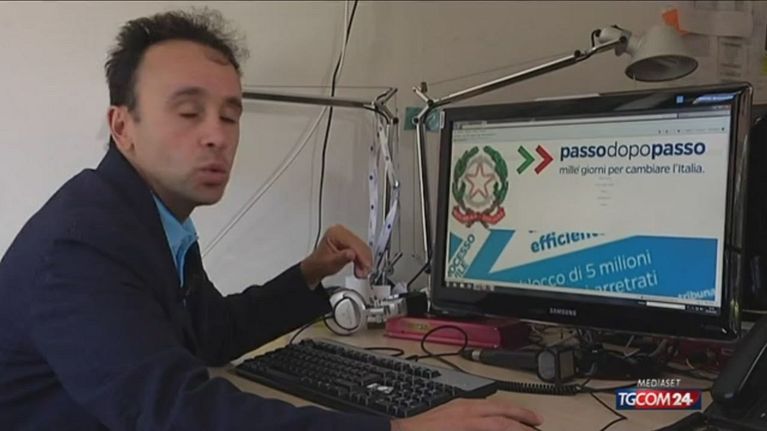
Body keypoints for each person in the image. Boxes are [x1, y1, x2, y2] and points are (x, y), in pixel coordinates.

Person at [0, 8, 543, 431]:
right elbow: (175, 414)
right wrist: (399, 427)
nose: (216, 135)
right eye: (188, 112)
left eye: (230, 115)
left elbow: (210, 335)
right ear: (122, 127)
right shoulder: (82, 247)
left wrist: (310, 271)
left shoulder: (149, 219)